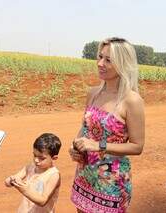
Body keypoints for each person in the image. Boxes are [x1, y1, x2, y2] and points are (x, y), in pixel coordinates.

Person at [68, 37, 145, 213]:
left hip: (111, 181)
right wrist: (76, 145)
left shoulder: (132, 100)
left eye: (108, 60)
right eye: (100, 57)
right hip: (85, 173)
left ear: (123, 64)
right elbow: (85, 127)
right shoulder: (93, 93)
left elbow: (137, 146)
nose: (100, 63)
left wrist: (98, 145)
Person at [4, 133, 62, 213]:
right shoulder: (30, 166)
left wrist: (25, 190)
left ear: (54, 158)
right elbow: (9, 181)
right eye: (35, 155)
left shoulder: (54, 175)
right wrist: (11, 180)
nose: (36, 160)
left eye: (42, 158)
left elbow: (42, 201)